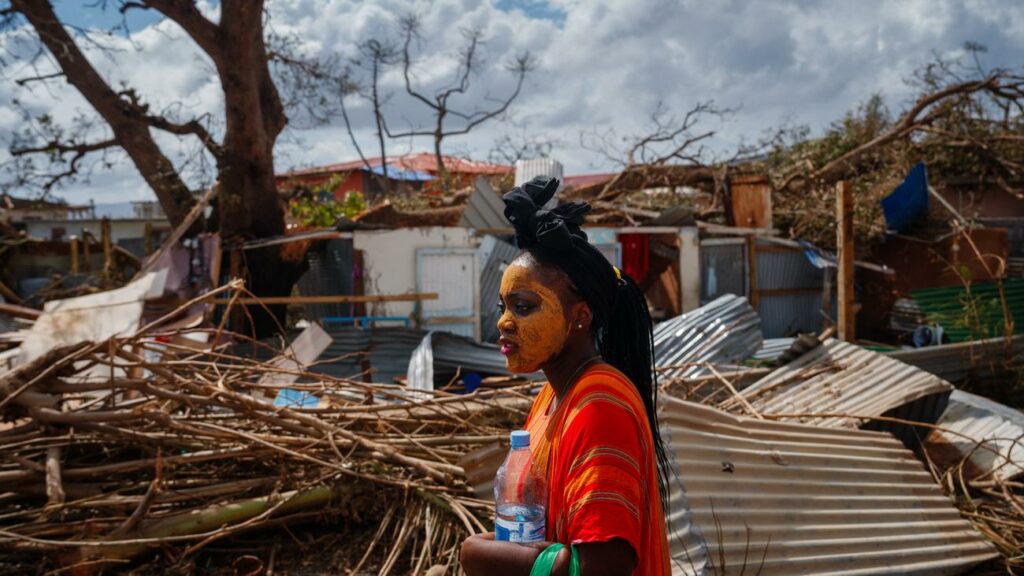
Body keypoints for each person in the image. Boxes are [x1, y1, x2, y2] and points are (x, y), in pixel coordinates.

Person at [460, 177, 671, 576]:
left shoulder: (599, 406)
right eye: (503, 306)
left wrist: (480, 556)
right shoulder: (553, 397)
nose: (504, 322)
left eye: (523, 306)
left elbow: (604, 565)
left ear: (579, 317)